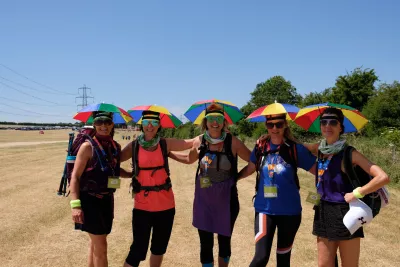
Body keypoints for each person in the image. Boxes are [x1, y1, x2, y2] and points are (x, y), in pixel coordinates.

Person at [169, 103, 251, 267]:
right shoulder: (199, 141)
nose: (215, 122)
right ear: (205, 122)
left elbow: (254, 161)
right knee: (205, 244)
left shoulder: (232, 142)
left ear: (224, 121)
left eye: (219, 118)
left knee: (224, 243)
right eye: (211, 118)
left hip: (227, 201)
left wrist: (237, 177)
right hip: (204, 201)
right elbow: (188, 158)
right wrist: (169, 153)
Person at [311, 107, 389, 267]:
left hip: (346, 212)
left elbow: (382, 177)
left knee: (350, 265)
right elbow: (296, 145)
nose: (327, 125)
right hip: (322, 211)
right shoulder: (320, 149)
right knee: (324, 265)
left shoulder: (349, 153)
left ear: (341, 127)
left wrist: (358, 193)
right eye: (324, 122)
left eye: (333, 122)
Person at [238, 113, 316, 267]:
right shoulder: (261, 146)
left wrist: (318, 197)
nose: (274, 128)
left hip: (290, 212)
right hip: (264, 210)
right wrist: (233, 179)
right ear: (266, 126)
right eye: (270, 124)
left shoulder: (295, 149)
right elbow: (251, 168)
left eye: (279, 124)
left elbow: (319, 173)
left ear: (285, 125)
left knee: (283, 260)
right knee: (261, 257)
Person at [120, 110, 194, 267]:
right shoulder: (133, 146)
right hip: (142, 207)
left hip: (166, 207)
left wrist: (210, 136)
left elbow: (190, 143)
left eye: (154, 122)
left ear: (159, 125)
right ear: (141, 124)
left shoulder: (164, 143)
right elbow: (112, 160)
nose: (150, 126)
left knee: (158, 249)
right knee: (137, 250)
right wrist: (129, 175)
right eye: (146, 122)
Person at [70, 111, 130, 267]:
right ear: (94, 124)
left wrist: (131, 174)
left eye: (107, 122)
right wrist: (75, 205)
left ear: (112, 124)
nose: (104, 125)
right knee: (101, 247)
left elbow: (114, 171)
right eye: (99, 122)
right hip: (90, 201)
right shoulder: (87, 147)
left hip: (107, 201)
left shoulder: (115, 146)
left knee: (96, 244)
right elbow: (75, 177)